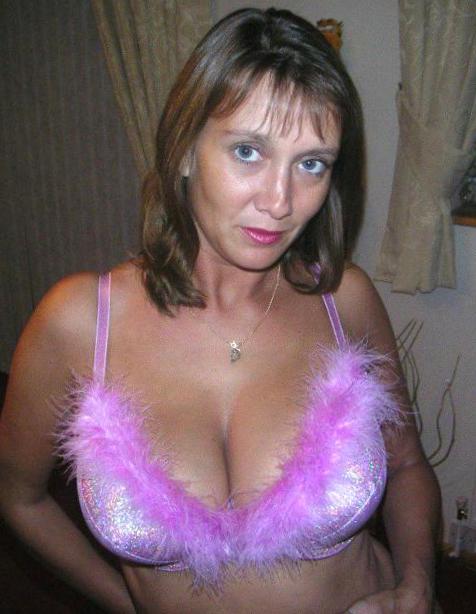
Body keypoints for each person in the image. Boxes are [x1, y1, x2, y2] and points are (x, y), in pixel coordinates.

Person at [0, 7, 441, 614]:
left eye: (311, 163)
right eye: (248, 151)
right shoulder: (78, 323)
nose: (280, 201)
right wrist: (127, 603)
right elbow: (18, 496)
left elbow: (408, 463)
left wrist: (417, 586)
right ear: (185, 150)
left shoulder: (345, 301)